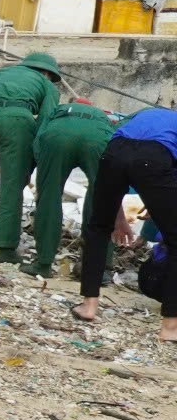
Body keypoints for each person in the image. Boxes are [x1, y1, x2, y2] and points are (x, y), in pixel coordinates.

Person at [72, 106, 177, 343]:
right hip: (154, 158)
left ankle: (88, 306)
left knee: (98, 228)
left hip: (114, 153)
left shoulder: (143, 116)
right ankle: (171, 326)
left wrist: (118, 219)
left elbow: (121, 169)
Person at [0, 51, 65, 263]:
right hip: (17, 120)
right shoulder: (47, 86)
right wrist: (34, 157)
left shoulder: (2, 72)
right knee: (12, 183)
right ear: (47, 72)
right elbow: (46, 120)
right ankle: (6, 248)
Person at [26, 98, 119, 279]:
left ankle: (43, 264)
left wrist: (41, 164)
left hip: (57, 136)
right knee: (101, 199)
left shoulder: (58, 109)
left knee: (49, 197)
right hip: (97, 138)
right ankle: (98, 270)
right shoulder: (101, 116)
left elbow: (39, 137)